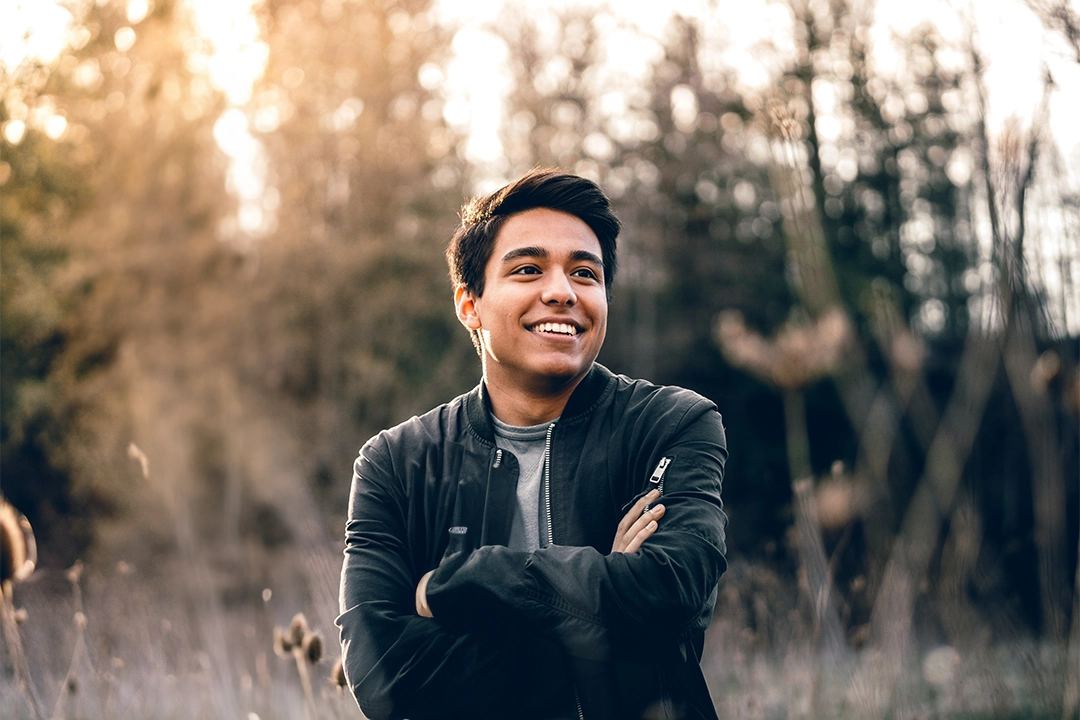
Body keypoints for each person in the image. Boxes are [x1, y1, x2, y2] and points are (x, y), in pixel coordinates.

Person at [336, 169, 728, 720]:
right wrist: (603, 592)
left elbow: (673, 589)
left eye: (584, 274)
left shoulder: (670, 424)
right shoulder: (397, 463)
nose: (562, 292)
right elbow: (385, 681)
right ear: (469, 303)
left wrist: (466, 584)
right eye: (528, 269)